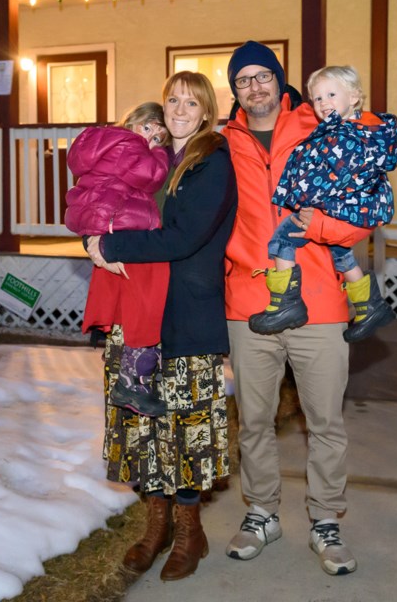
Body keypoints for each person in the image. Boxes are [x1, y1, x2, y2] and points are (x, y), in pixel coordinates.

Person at [220, 41, 370, 576]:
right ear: (234, 90)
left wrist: (320, 230)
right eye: (244, 80)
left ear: (279, 82)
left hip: (319, 299)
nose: (255, 87)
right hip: (248, 299)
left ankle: (326, 519)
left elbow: (362, 199)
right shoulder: (222, 142)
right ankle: (262, 512)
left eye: (264, 76)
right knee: (254, 420)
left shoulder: (320, 123)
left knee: (325, 420)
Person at [85, 71, 238, 581]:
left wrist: (111, 248)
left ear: (206, 111)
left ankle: (190, 533)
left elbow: (181, 237)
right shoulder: (146, 157)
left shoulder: (211, 163)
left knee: (186, 427)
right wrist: (96, 231)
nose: (177, 109)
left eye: (190, 103)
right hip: (137, 313)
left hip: (187, 316)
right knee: (141, 428)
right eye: (172, 100)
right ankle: (155, 529)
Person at [249, 65, 397, 342]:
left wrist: (300, 198)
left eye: (331, 94)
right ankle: (370, 304)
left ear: (354, 96)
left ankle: (286, 301)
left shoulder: (346, 135)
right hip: (354, 207)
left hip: (345, 206)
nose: (323, 103)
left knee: (284, 237)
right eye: (317, 98)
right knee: (339, 251)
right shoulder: (362, 129)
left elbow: (329, 175)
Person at [64, 103, 171, 417]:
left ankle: (132, 378)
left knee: (139, 307)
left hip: (107, 224)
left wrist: (95, 240)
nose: (152, 137)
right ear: (133, 121)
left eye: (159, 136)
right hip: (122, 229)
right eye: (149, 128)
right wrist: (161, 154)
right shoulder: (132, 148)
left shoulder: (103, 142)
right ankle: (133, 380)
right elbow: (151, 176)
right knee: (145, 307)